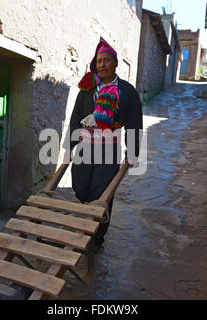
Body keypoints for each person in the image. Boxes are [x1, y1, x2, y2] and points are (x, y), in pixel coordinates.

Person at [69, 40, 143, 251]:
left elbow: (135, 124)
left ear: (115, 63)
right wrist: (70, 146)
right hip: (85, 147)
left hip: (108, 149)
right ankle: (85, 222)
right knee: (81, 188)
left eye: (106, 60)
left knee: (102, 194)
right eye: (99, 61)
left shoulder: (127, 91)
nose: (102, 65)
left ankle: (97, 238)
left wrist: (133, 152)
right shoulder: (87, 89)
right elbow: (76, 117)